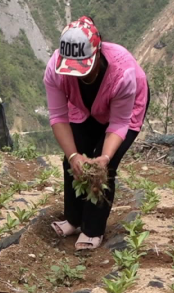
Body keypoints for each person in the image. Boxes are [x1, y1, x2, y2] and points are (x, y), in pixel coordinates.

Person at [44, 16, 149, 250]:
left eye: (83, 67)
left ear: (97, 53)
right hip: (83, 106)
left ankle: (93, 228)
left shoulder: (123, 72)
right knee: (73, 159)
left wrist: (105, 157)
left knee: (103, 167)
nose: (77, 74)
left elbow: (119, 122)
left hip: (125, 108)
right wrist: (73, 156)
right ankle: (73, 219)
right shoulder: (56, 69)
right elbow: (59, 117)